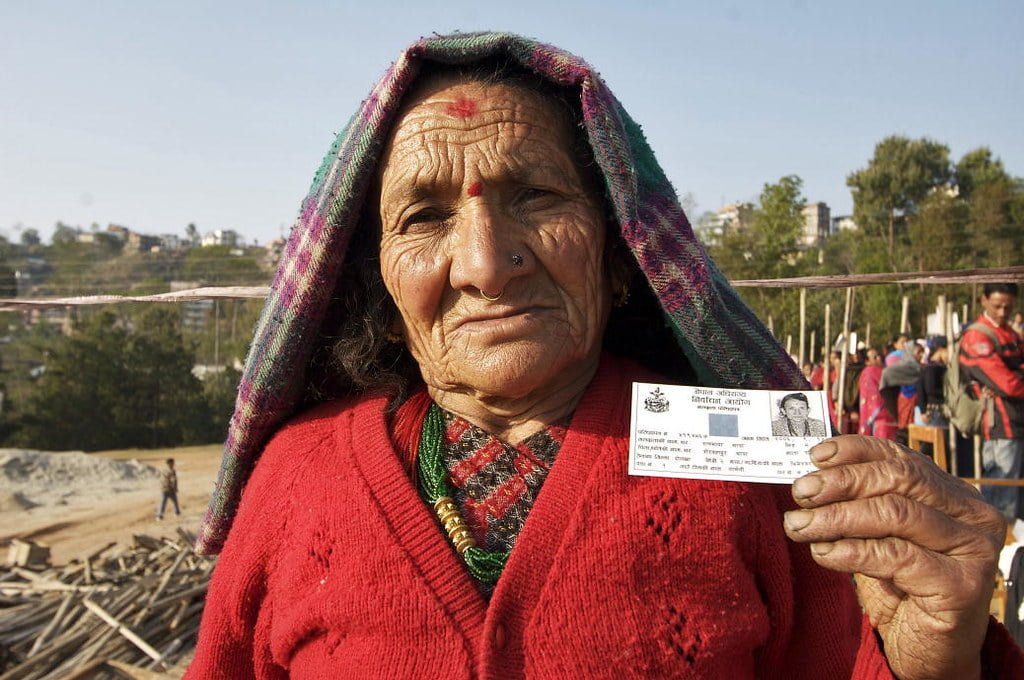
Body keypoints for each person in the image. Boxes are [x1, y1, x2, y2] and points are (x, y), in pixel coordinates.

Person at [186, 32, 1020, 678]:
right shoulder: (295, 479)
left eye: (537, 197)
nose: (484, 263)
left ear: (619, 252)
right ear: (378, 278)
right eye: (423, 218)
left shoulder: (752, 471)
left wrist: (933, 660)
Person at [960, 283, 1024, 520]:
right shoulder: (977, 336)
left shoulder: (1010, 333)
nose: (1002, 312)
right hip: (1001, 423)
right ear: (984, 300)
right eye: (997, 306)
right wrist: (1014, 374)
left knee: (1015, 489)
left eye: (1007, 307)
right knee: (1003, 491)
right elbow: (1007, 383)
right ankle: (1000, 550)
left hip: (1016, 420)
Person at [859, 347, 897, 440]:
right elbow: (875, 397)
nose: (879, 359)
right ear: (867, 361)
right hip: (881, 415)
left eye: (879, 356)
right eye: (875, 357)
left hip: (871, 416)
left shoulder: (866, 372)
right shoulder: (872, 372)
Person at [916, 335, 949, 427]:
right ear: (941, 350)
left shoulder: (928, 366)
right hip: (937, 411)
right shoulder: (933, 368)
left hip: (933, 411)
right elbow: (929, 389)